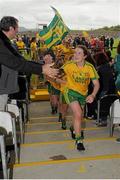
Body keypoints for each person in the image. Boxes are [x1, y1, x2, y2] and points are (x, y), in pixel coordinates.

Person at [0, 16, 58, 111]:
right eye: (17, 28)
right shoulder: (1, 43)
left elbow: (21, 60)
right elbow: (16, 63)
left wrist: (41, 67)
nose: (18, 31)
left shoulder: (5, 42)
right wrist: (41, 69)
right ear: (11, 28)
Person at [62, 45, 100, 151]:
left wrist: (92, 95)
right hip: (70, 92)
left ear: (85, 56)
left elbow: (96, 84)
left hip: (83, 94)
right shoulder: (69, 65)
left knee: (79, 116)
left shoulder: (89, 67)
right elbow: (58, 74)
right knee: (78, 114)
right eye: (75, 53)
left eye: (79, 53)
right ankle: (79, 140)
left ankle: (73, 128)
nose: (76, 55)